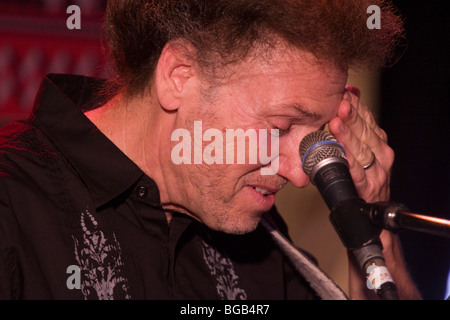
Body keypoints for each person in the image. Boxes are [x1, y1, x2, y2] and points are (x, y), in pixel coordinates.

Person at [0, 0, 421, 300]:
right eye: (280, 127)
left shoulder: (257, 240)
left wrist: (368, 223)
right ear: (179, 76)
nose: (297, 174)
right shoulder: (14, 204)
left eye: (314, 136)